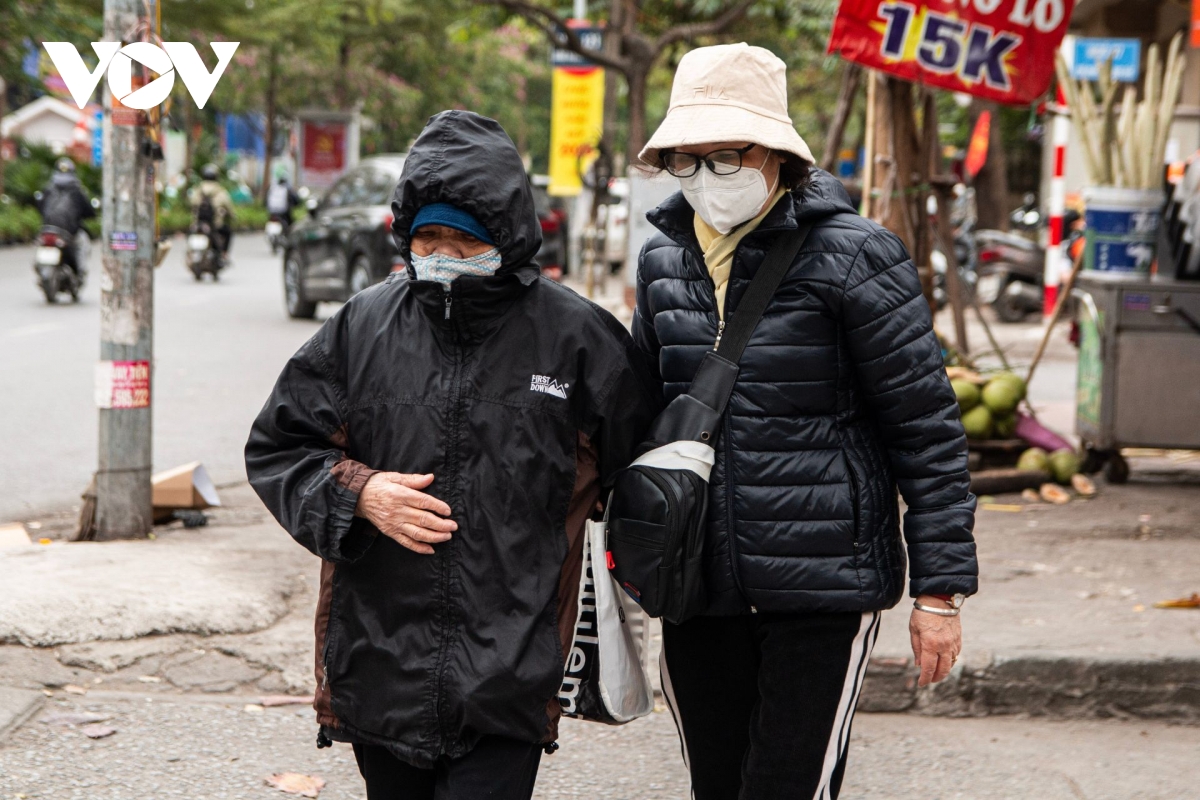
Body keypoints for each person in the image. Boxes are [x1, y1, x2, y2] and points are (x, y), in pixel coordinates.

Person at [245, 110, 659, 800]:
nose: (442, 253)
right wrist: (360, 493)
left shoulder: (578, 338)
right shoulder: (360, 327)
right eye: (427, 236)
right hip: (380, 663)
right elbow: (280, 448)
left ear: (506, 235)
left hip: (512, 671)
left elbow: (638, 472)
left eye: (464, 239)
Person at [632, 44, 978, 799]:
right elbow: (642, 410)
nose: (704, 176)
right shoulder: (663, 260)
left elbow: (926, 430)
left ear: (775, 154)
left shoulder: (857, 257)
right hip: (698, 582)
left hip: (823, 585)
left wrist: (939, 593)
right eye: (685, 160)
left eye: (726, 155)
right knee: (715, 787)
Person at [36, 157, 95, 278]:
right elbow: (89, 211)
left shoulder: (48, 189)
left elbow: (39, 206)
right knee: (82, 243)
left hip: (46, 228)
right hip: (69, 232)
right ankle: (80, 272)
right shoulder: (77, 191)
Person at [188, 163, 234, 263]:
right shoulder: (220, 191)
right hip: (214, 224)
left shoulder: (197, 189)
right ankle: (224, 254)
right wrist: (232, 216)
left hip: (198, 223)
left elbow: (191, 203)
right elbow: (229, 207)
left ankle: (190, 255)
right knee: (228, 232)